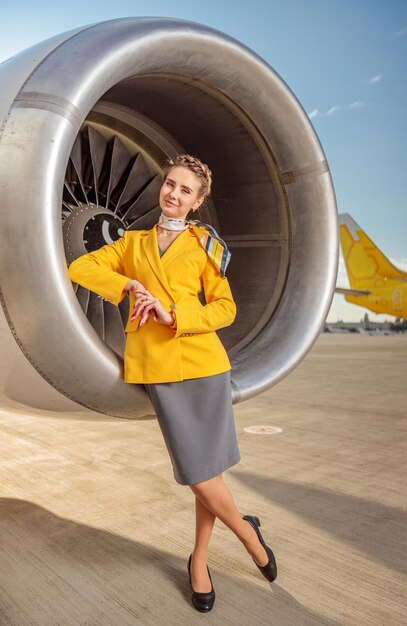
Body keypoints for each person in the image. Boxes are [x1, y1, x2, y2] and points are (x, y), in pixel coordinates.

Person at [68, 154, 277, 612]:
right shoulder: (132, 243)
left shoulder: (205, 245)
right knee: (198, 475)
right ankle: (249, 534)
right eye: (170, 184)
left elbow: (225, 308)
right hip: (159, 369)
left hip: (205, 364)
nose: (173, 194)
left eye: (185, 190)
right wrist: (128, 287)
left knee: (208, 476)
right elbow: (79, 269)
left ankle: (199, 561)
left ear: (197, 202)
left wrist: (175, 314)